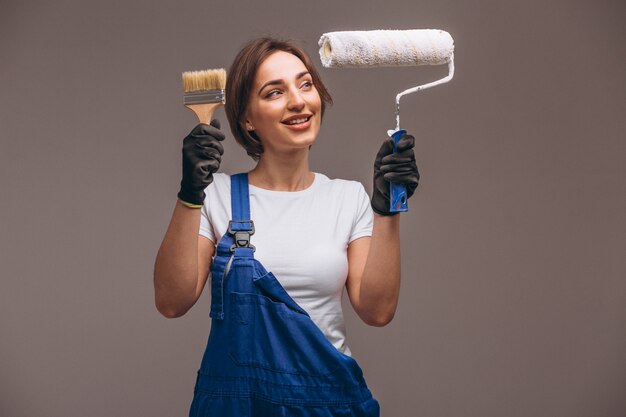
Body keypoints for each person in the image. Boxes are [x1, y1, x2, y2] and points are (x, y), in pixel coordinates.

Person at [154, 37, 419, 417]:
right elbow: (170, 301)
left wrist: (387, 211)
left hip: (329, 403)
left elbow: (377, 312)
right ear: (247, 119)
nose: (298, 101)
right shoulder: (219, 195)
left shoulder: (348, 198)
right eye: (274, 92)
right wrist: (189, 194)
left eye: (305, 84)